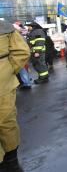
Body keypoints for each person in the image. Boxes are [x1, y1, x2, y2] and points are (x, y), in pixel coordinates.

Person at [0, 20, 30, 172]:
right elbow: (22, 51)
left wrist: (8, 70)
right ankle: (10, 163)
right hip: (3, 83)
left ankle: (10, 162)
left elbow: (22, 52)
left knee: (6, 122)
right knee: (6, 122)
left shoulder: (5, 27)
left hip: (3, 84)